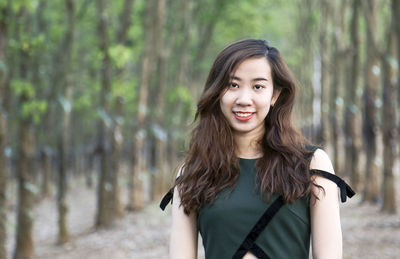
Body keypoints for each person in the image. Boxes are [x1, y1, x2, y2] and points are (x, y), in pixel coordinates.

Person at [160, 38, 355, 259]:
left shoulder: (312, 163)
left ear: (275, 95)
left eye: (258, 86)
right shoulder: (194, 171)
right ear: (217, 93)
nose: (244, 99)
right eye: (233, 85)